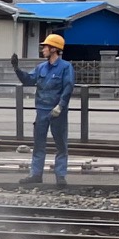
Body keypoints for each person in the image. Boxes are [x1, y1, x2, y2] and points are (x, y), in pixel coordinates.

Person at [12, 32, 74, 187]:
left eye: (45, 46)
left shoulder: (66, 67)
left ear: (54, 49)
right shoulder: (41, 68)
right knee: (39, 144)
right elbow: (28, 80)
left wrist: (61, 106)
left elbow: (68, 87)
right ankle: (36, 174)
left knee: (61, 144)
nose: (43, 49)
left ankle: (60, 176)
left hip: (57, 112)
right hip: (41, 111)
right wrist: (17, 69)